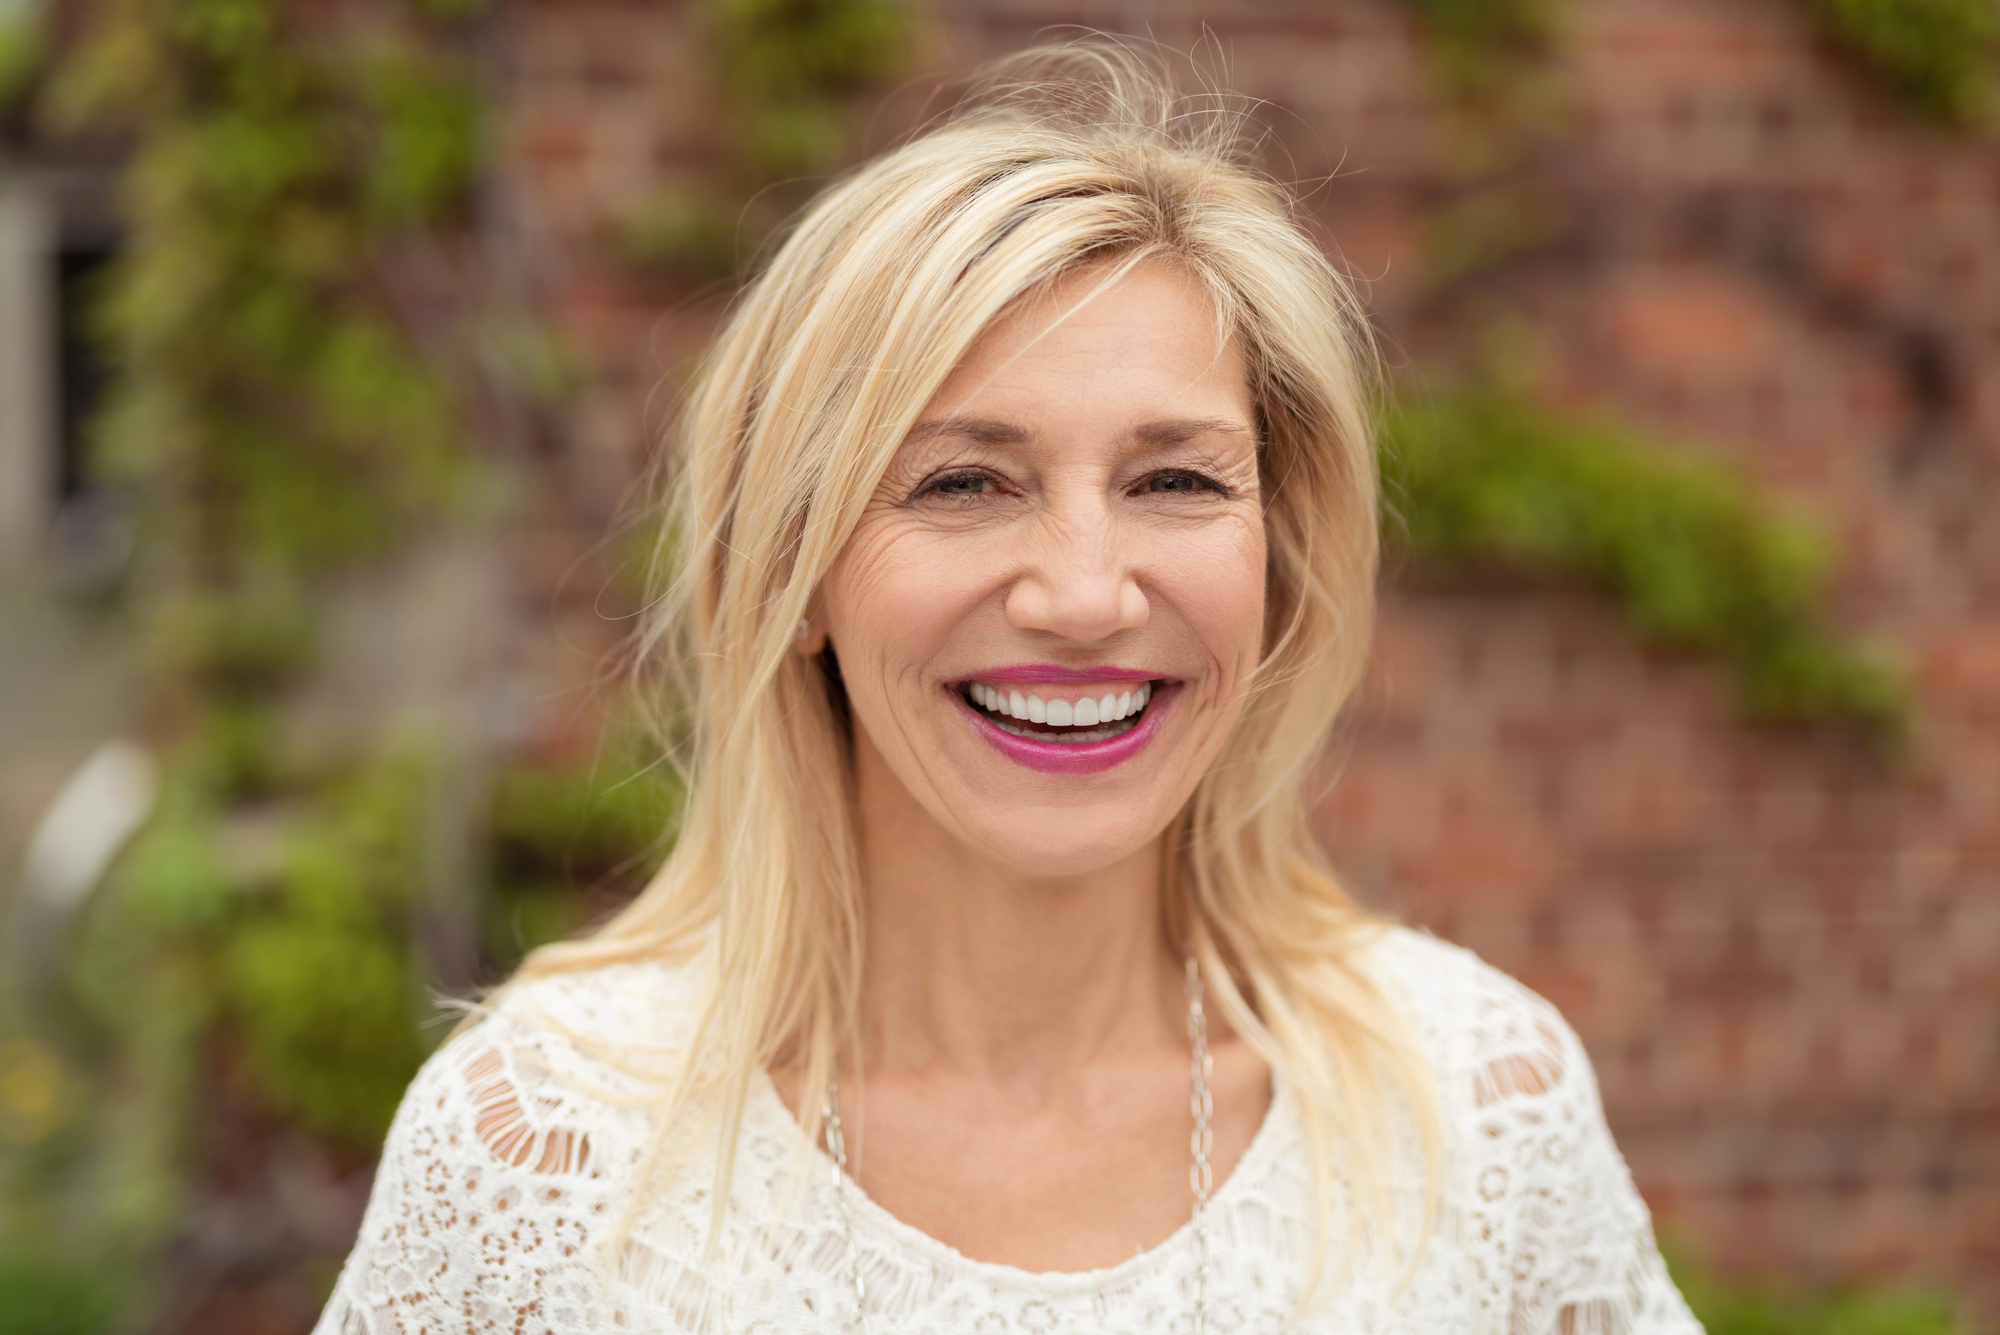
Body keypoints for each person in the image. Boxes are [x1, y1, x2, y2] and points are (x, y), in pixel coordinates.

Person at [312, 44, 1701, 1335]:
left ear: (1275, 556)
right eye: (965, 482)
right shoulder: (545, 1156)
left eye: (1175, 481)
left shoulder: (1472, 1109)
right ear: (795, 573)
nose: (1086, 595)